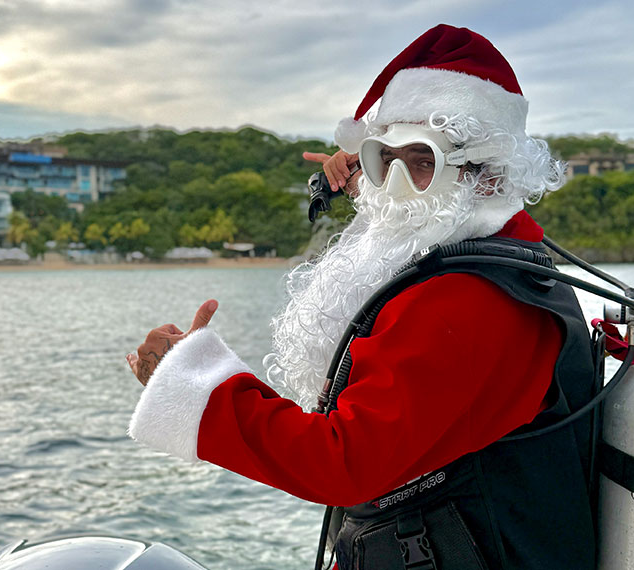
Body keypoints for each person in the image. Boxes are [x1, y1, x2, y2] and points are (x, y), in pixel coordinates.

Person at [127, 25, 596, 569]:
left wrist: (194, 384)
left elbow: (343, 464)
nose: (393, 184)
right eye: (382, 160)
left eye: (423, 160)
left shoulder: (467, 301)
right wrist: (369, 173)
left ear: (489, 177)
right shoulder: (501, 257)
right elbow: (409, 204)